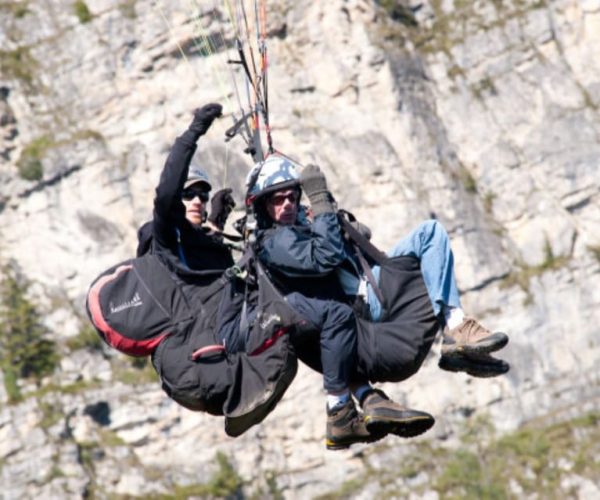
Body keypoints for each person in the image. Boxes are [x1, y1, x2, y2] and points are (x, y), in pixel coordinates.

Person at [246, 155, 436, 450]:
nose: (286, 204)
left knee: (340, 318)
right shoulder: (274, 241)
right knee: (337, 315)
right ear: (263, 206)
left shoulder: (291, 232)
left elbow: (328, 249)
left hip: (324, 330)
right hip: (306, 323)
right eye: (277, 200)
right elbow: (325, 257)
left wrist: (335, 223)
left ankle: (368, 398)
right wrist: (320, 201)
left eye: (291, 197)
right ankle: (339, 411)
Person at [136, 103, 236, 276]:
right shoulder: (165, 236)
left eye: (203, 195)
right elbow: (166, 193)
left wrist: (215, 224)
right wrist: (193, 133)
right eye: (188, 194)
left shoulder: (207, 244)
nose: (197, 201)